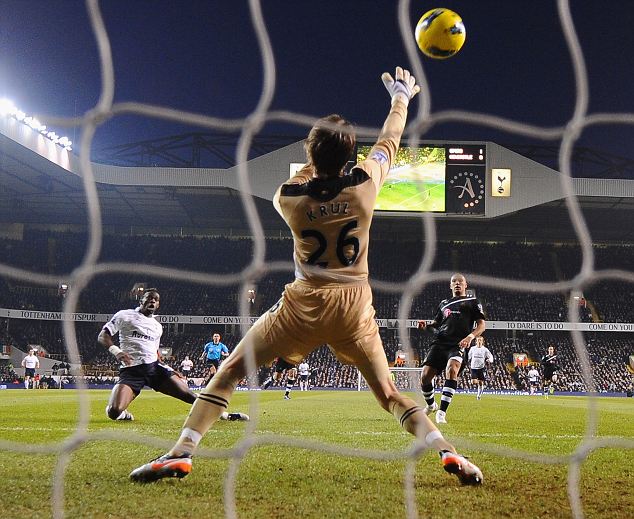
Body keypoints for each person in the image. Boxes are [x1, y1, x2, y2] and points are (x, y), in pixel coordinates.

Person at [130, 66, 482, 486]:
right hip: (354, 306)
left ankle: (181, 453)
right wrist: (401, 98)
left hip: (303, 303)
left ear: (309, 155)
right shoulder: (365, 185)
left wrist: (316, 155)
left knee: (229, 373)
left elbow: (308, 174)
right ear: (351, 157)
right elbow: (389, 141)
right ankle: (448, 452)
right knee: (389, 395)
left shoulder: (289, 198)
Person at [98, 289, 198, 421]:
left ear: (158, 305)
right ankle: (124, 414)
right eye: (149, 298)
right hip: (131, 372)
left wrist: (170, 369)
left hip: (154, 369)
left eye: (156, 300)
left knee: (191, 396)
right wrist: (117, 351)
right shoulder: (125, 315)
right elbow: (102, 336)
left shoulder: (157, 327)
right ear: (141, 301)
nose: (152, 300)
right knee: (114, 412)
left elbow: (155, 352)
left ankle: (224, 414)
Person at [417, 273, 486, 424]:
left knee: (452, 369)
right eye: (454, 281)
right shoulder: (443, 303)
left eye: (460, 281)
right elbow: (436, 324)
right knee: (425, 376)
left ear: (465, 285)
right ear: (450, 285)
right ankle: (431, 406)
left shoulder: (472, 302)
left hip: (458, 343)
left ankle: (441, 413)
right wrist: (426, 326)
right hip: (440, 343)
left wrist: (470, 337)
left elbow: (481, 325)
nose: (457, 283)